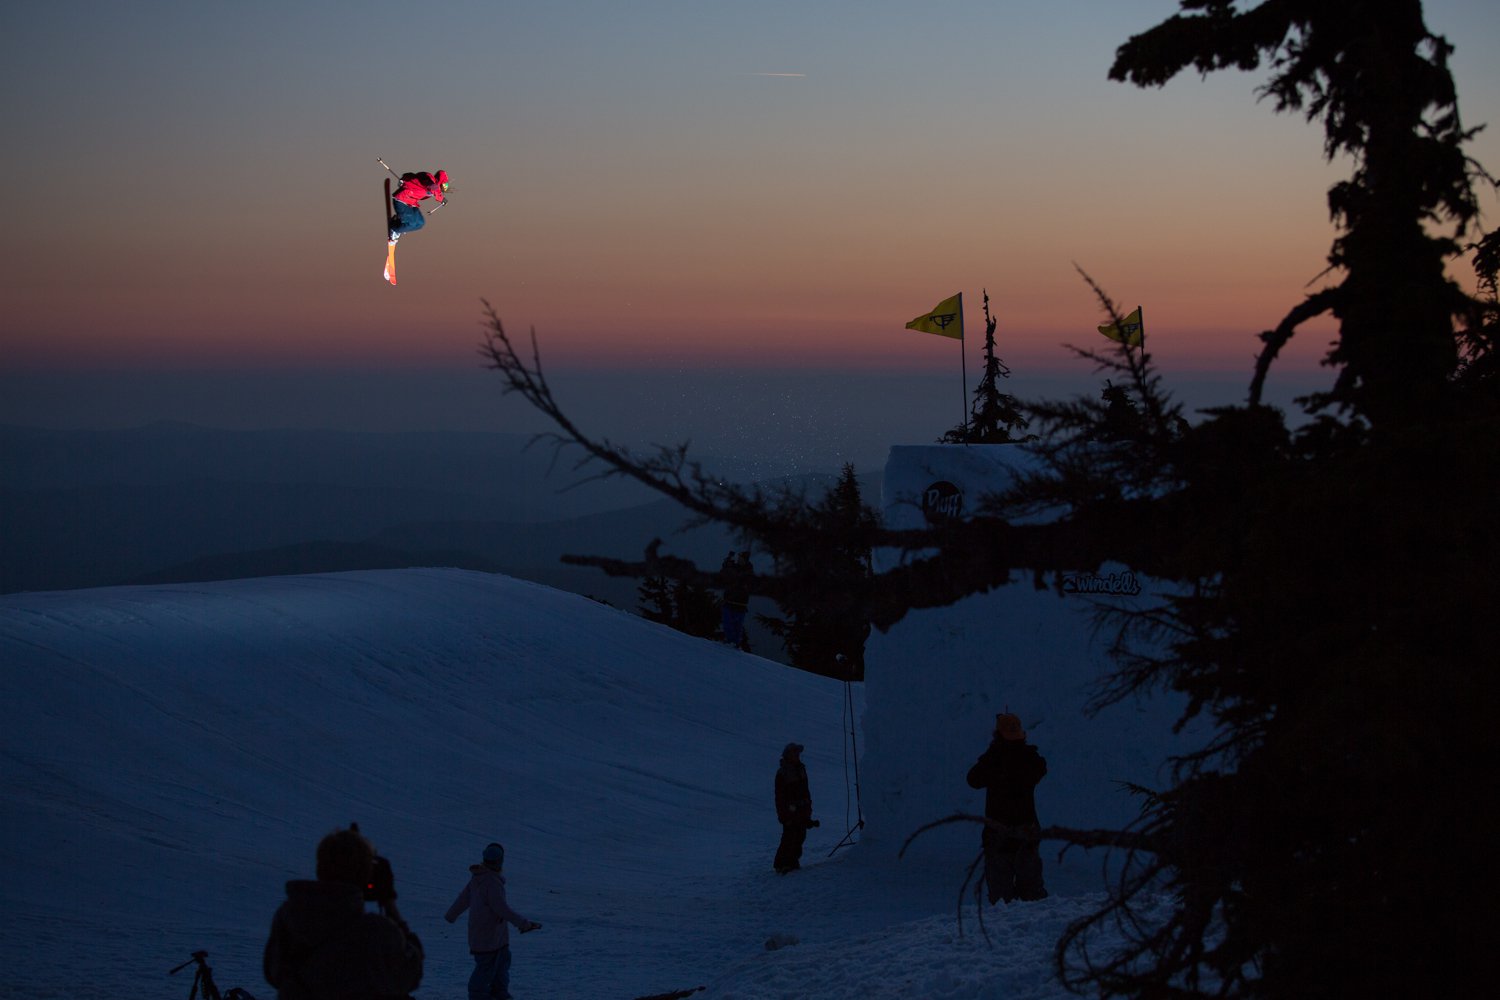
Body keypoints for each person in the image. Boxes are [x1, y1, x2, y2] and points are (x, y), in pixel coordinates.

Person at [263, 826, 424, 1000]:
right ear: (366, 873)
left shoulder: (288, 917)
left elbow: (273, 974)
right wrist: (390, 905)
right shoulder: (377, 932)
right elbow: (410, 973)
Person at [966, 711, 1049, 903]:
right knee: (1032, 892)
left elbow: (973, 779)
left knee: (1001, 896)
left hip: (998, 830)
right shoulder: (1030, 759)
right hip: (1026, 828)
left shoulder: (994, 760)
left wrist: (993, 754)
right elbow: (1040, 768)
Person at [445, 842, 542, 1000]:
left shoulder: (478, 878)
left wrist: (451, 915)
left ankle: (500, 995)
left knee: (500, 969)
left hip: (489, 937)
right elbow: (502, 909)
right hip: (490, 939)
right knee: (485, 973)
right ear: (500, 861)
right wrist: (524, 924)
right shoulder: (492, 883)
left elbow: (463, 899)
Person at [774, 741, 815, 873]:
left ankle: (793, 862)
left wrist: (808, 809)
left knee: (800, 836)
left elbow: (806, 791)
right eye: (795, 753)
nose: (798, 755)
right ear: (788, 755)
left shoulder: (801, 769)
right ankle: (781, 864)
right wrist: (784, 815)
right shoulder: (782, 773)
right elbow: (780, 797)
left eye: (798, 753)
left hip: (802, 810)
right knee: (789, 836)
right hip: (790, 811)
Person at [387, 168, 449, 243]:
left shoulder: (433, 186)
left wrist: (403, 179)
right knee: (411, 224)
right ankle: (394, 228)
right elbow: (433, 187)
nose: (444, 188)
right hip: (402, 200)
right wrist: (441, 199)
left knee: (420, 223)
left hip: (411, 203)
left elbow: (411, 176)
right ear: (440, 181)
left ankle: (399, 224)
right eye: (445, 185)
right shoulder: (429, 179)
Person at [719, 550, 751, 649]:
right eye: (739, 557)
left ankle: (734, 643)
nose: (739, 559)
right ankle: (731, 642)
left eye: (741, 558)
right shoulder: (735, 567)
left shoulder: (747, 571)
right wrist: (728, 561)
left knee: (736, 625)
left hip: (739, 603)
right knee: (728, 623)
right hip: (730, 601)